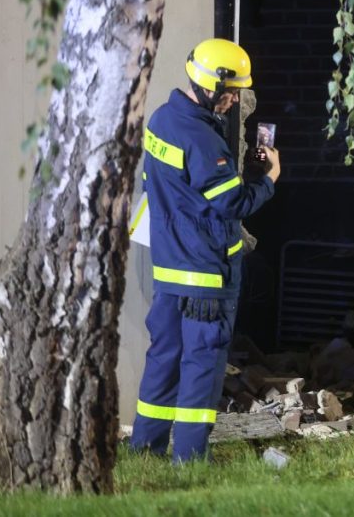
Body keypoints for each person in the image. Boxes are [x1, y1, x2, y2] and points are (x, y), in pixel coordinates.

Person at [130, 38, 281, 462]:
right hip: (206, 278)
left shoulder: (162, 120)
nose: (234, 101)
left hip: (170, 271)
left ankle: (145, 449)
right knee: (201, 367)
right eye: (231, 91)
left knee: (163, 358)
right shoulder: (202, 139)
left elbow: (167, 188)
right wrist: (269, 177)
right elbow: (233, 203)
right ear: (210, 85)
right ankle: (190, 458)